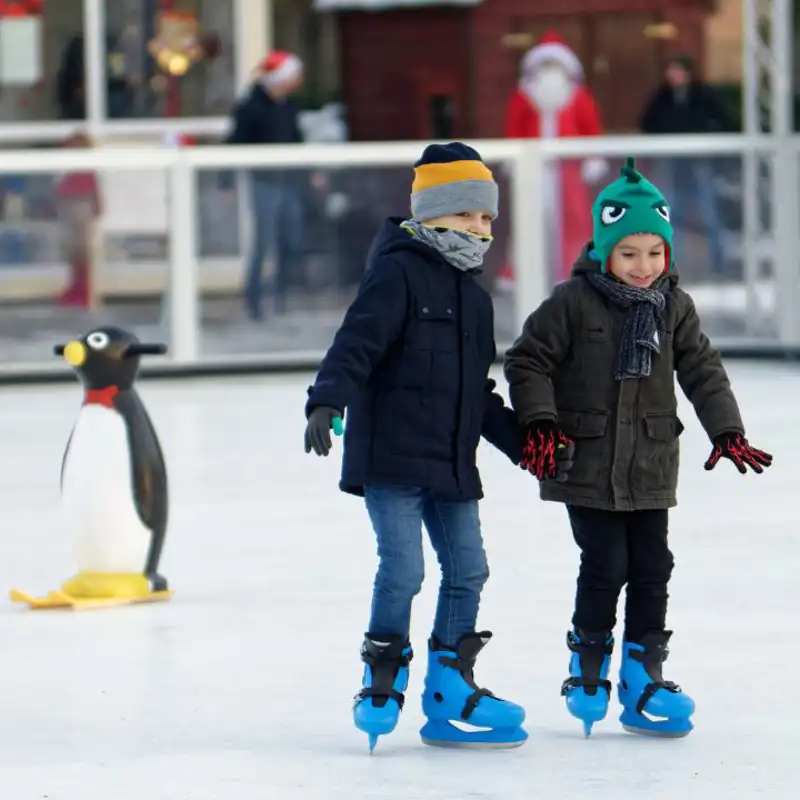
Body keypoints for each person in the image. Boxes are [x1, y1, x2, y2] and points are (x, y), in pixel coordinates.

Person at [503, 157, 772, 739]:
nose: (644, 266)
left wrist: (726, 429)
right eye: (629, 253)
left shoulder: (674, 306)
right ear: (605, 251)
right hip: (586, 461)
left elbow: (702, 369)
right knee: (606, 564)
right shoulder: (572, 301)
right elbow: (527, 360)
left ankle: (643, 672)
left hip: (649, 461)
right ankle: (588, 663)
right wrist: (541, 423)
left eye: (654, 252)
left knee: (653, 565)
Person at [303, 143, 536, 752]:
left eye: (485, 218)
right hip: (392, 456)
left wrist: (523, 446)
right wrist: (327, 399)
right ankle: (382, 675)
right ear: (429, 213)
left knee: (469, 569)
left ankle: (450, 685)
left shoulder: (477, 299)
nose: (478, 229)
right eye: (464, 215)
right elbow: (357, 342)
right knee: (404, 570)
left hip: (451, 461)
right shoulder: (398, 273)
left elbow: (477, 392)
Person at [503, 30, 607, 288]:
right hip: (533, 166)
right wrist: (514, 159)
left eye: (554, 65)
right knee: (529, 217)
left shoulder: (578, 96)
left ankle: (576, 267)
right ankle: (520, 272)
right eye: (545, 65)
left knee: (574, 218)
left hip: (568, 167)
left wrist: (593, 157)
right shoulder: (523, 95)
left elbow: (591, 127)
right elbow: (513, 128)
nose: (550, 71)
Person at [220, 51, 305, 320]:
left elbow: (297, 141)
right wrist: (225, 182)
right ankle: (254, 300)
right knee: (264, 241)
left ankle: (281, 296)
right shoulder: (250, 107)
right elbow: (234, 143)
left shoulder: (288, 107)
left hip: (289, 182)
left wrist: (309, 173)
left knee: (290, 239)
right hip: (264, 183)